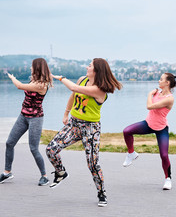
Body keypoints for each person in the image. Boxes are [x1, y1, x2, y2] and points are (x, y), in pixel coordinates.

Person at [46, 58, 122, 207]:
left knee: (92, 164)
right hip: (74, 124)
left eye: (90, 65)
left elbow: (74, 89)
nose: (87, 67)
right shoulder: (82, 80)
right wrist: (66, 113)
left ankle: (101, 193)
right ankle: (61, 173)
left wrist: (61, 78)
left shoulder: (100, 89)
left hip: (91, 129)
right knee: (51, 149)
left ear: (96, 71)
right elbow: (73, 96)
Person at [122, 73, 176, 190]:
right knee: (127, 131)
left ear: (167, 83)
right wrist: (154, 93)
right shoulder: (158, 93)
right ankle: (131, 153)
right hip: (148, 124)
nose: (159, 81)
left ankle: (168, 179)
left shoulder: (169, 99)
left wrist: (149, 94)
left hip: (161, 128)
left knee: (164, 155)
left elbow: (150, 106)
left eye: (161, 79)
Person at [0, 58, 53, 186]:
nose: (30, 68)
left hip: (35, 118)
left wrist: (12, 77)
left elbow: (20, 86)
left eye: (32, 66)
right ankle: (7, 172)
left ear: (37, 67)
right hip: (23, 116)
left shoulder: (41, 85)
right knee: (9, 143)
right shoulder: (34, 80)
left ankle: (44, 176)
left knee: (33, 148)